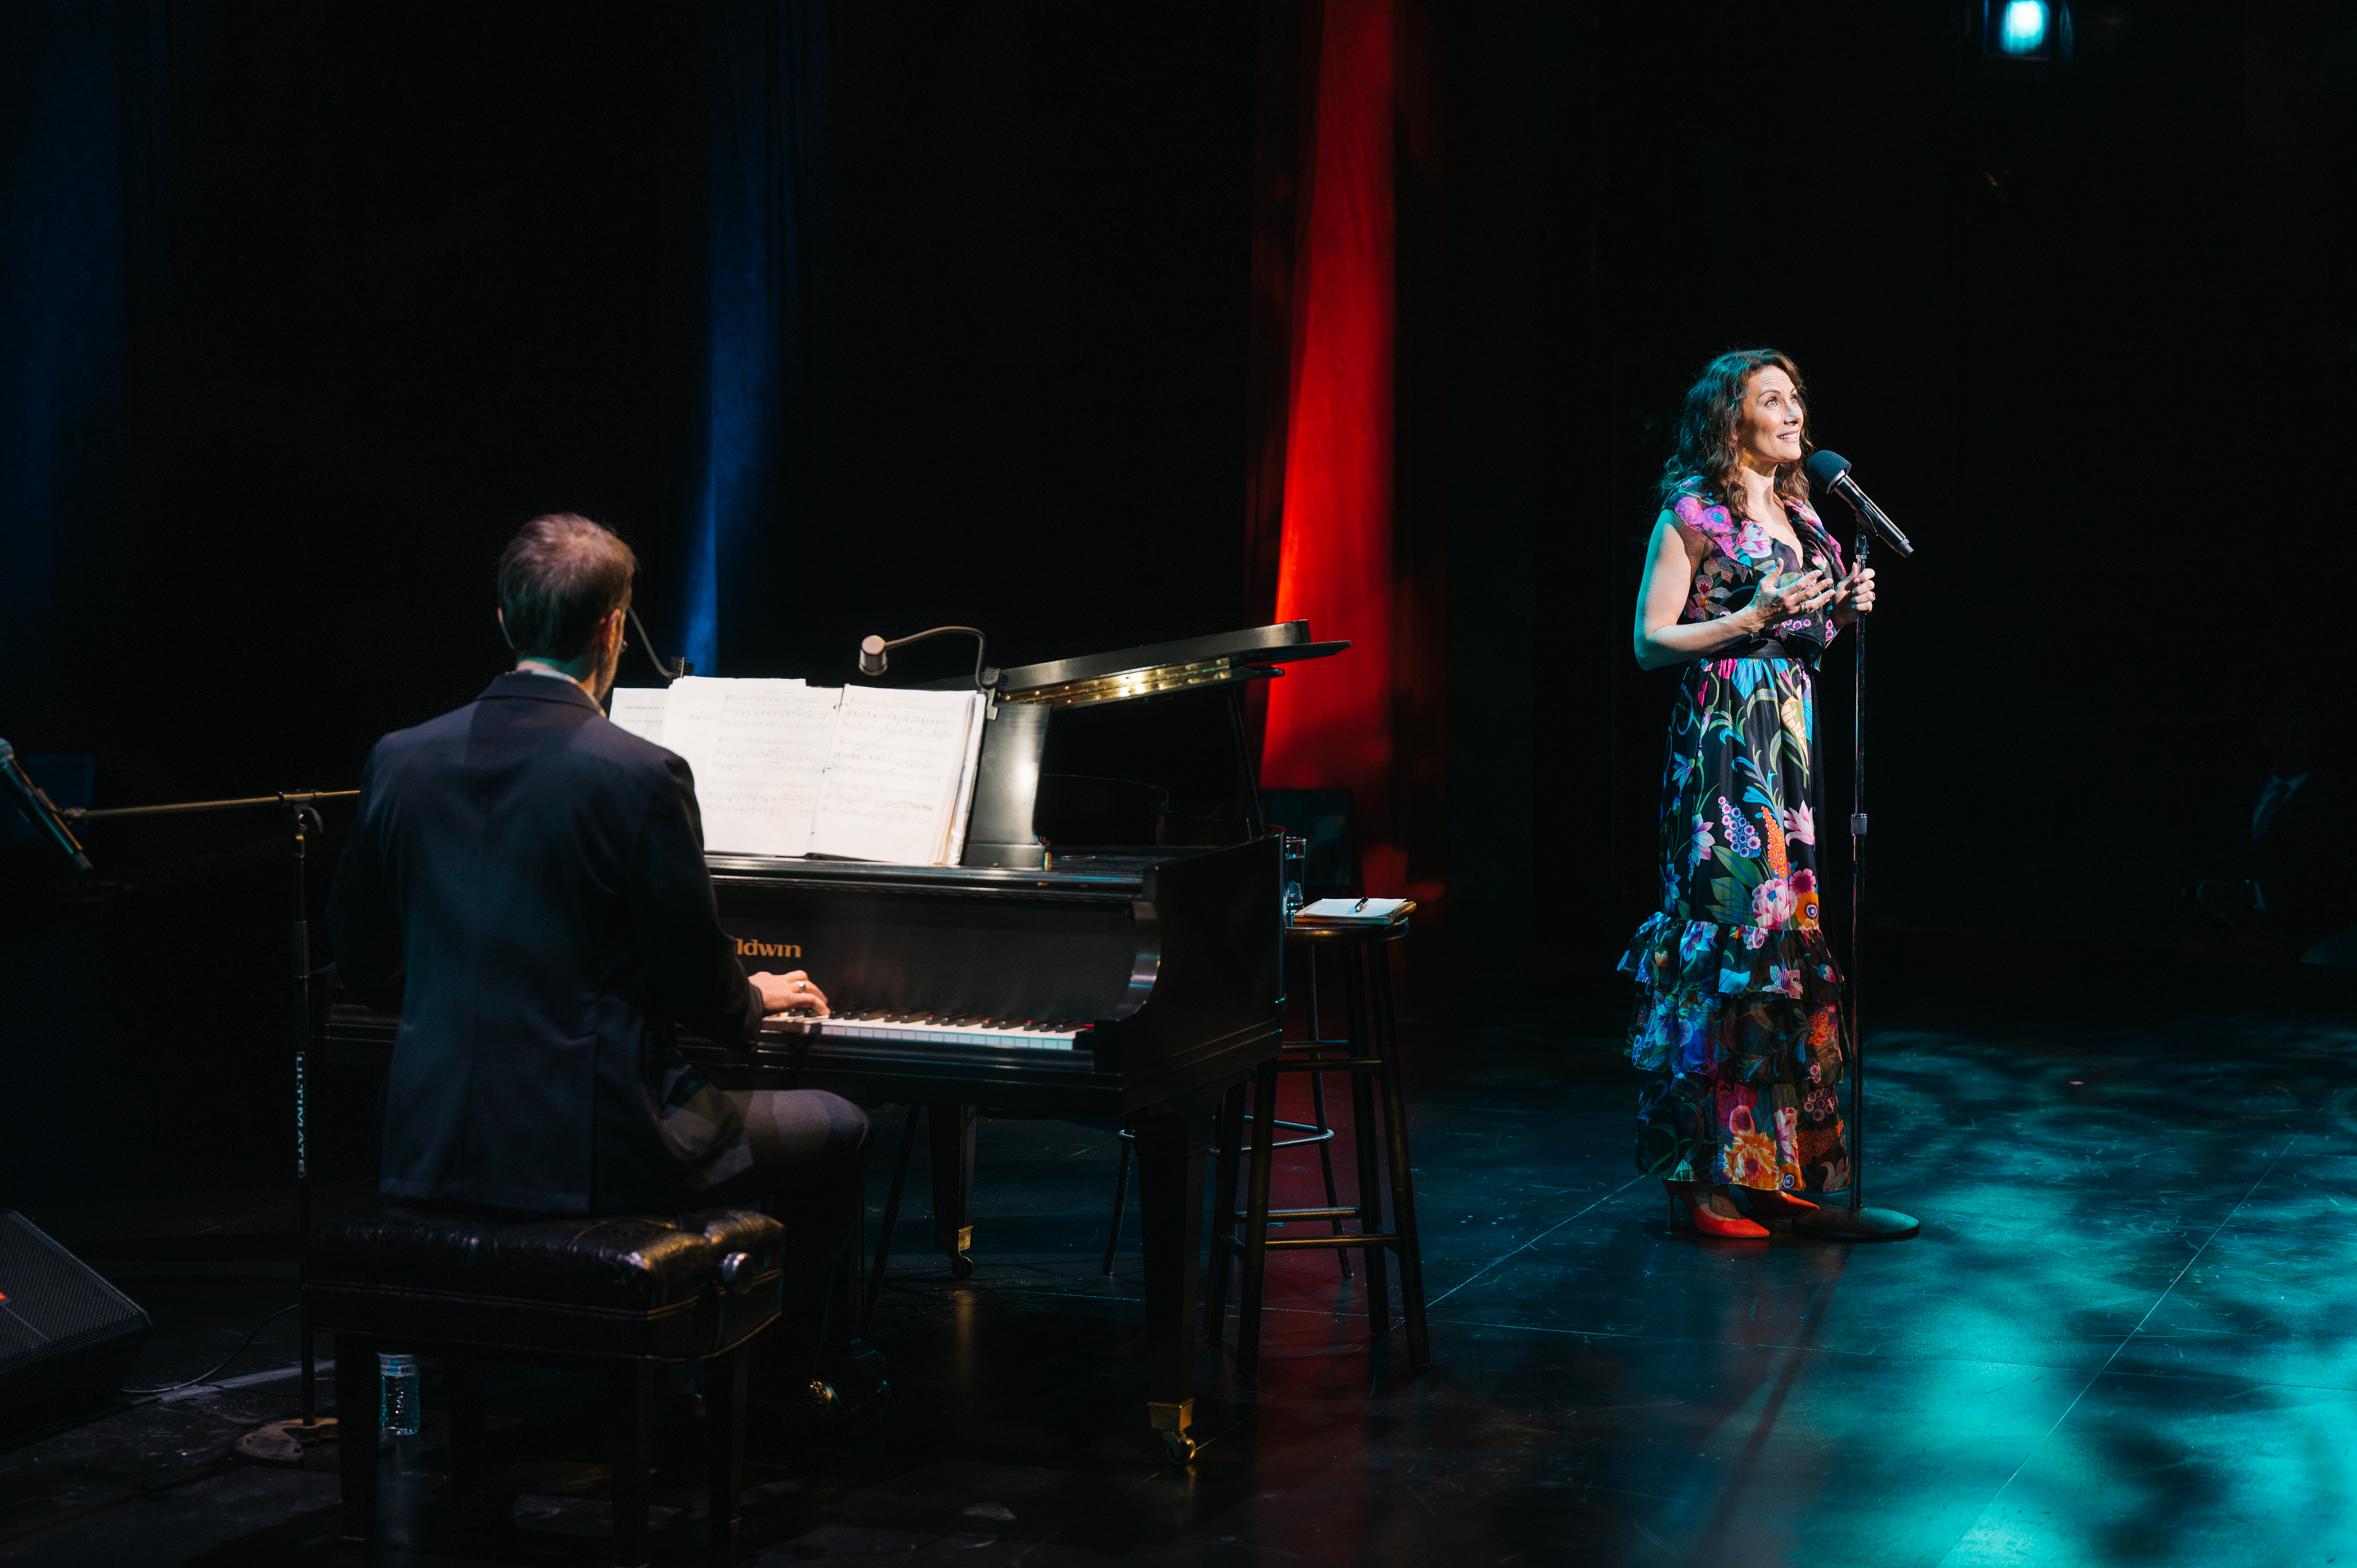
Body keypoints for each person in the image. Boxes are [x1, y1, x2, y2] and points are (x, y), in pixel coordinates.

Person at [327, 513, 869, 1393]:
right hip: (602, 1147)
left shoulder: (399, 758)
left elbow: (358, 954)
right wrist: (753, 995)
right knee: (841, 1125)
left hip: (429, 1140)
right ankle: (776, 1397)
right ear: (614, 628)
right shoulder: (639, 773)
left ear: (504, 620)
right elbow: (699, 987)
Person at [1620, 350, 1876, 1239]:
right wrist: (1751, 616)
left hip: (1790, 748)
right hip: (1722, 750)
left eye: (1797, 396)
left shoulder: (1807, 514)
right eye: (1773, 398)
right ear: (1732, 418)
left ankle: (1765, 1167)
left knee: (1782, 946)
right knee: (1730, 938)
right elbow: (1652, 642)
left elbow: (1801, 641)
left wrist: (1837, 614)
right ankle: (1698, 1174)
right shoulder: (1693, 515)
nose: (1793, 411)